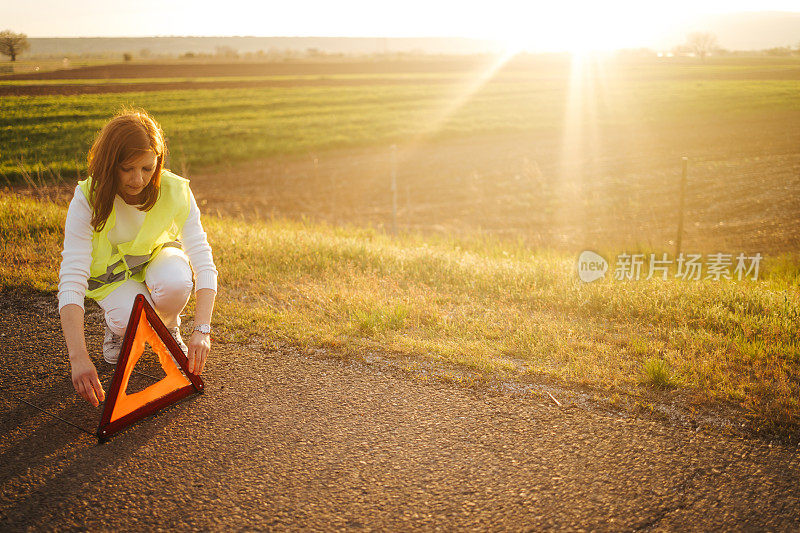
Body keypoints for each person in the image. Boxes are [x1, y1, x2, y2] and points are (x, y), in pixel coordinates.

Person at [58, 109, 218, 408]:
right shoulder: (86, 199)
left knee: (176, 282)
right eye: (127, 168)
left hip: (157, 264)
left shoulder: (175, 189)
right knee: (129, 318)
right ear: (110, 164)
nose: (138, 179)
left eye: (147, 168)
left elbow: (203, 259)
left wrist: (202, 330)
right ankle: (118, 331)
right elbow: (71, 278)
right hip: (113, 281)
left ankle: (169, 327)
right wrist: (78, 356)